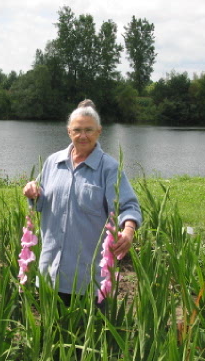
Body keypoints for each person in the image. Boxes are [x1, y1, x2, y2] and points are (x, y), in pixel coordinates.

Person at [23, 99, 142, 305]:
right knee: (51, 333)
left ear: (99, 131)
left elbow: (128, 206)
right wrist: (32, 192)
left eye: (89, 130)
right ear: (69, 132)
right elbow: (40, 201)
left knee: (88, 334)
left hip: (89, 277)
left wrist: (129, 230)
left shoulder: (109, 168)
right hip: (51, 271)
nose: (83, 135)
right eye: (77, 130)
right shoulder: (53, 162)